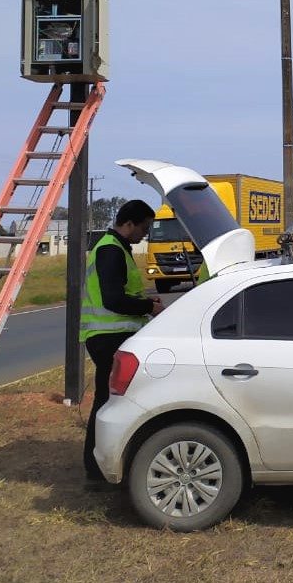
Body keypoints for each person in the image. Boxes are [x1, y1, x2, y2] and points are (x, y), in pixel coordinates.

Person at [81, 199, 163, 484]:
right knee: (108, 403)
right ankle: (95, 470)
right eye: (144, 228)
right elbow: (113, 299)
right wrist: (148, 307)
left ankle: (99, 467)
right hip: (108, 337)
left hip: (112, 336)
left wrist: (144, 301)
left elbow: (121, 293)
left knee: (110, 401)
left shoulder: (116, 248)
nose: (145, 234)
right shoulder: (110, 250)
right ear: (129, 224)